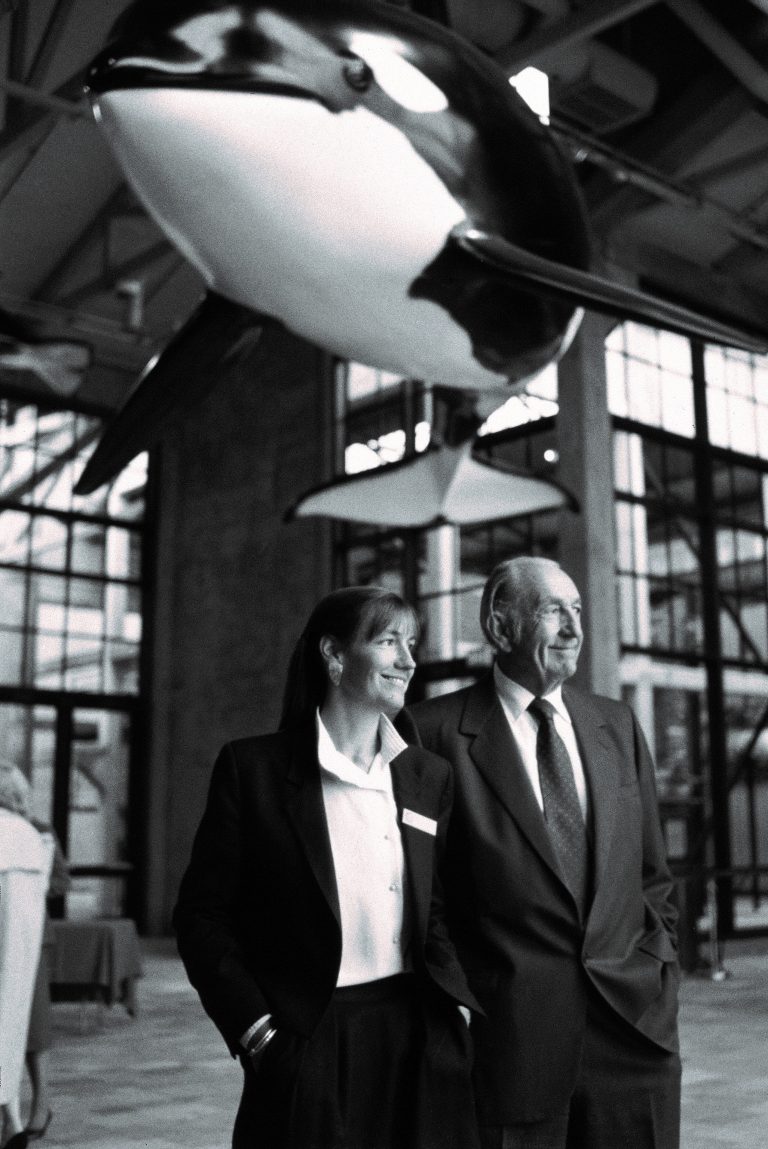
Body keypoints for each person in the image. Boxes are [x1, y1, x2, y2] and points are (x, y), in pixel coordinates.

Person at [174, 586, 480, 1149]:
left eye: (410, 643)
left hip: (417, 1034)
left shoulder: (427, 776)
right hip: (309, 1036)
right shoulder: (254, 770)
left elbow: (433, 905)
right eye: (389, 642)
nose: (409, 661)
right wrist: (257, 1033)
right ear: (334, 656)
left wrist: (454, 1007)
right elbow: (201, 918)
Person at [401, 556, 681, 1149]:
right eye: (554, 611)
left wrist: (659, 969)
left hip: (634, 1032)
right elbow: (422, 898)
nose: (574, 628)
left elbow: (652, 875)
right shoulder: (431, 733)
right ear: (501, 628)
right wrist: (464, 1006)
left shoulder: (618, 724)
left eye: (577, 610)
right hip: (509, 1042)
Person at [0, 766, 54, 1149]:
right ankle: (13, 1122)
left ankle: (14, 1121)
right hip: (20, 955)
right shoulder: (32, 836)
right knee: (11, 1031)